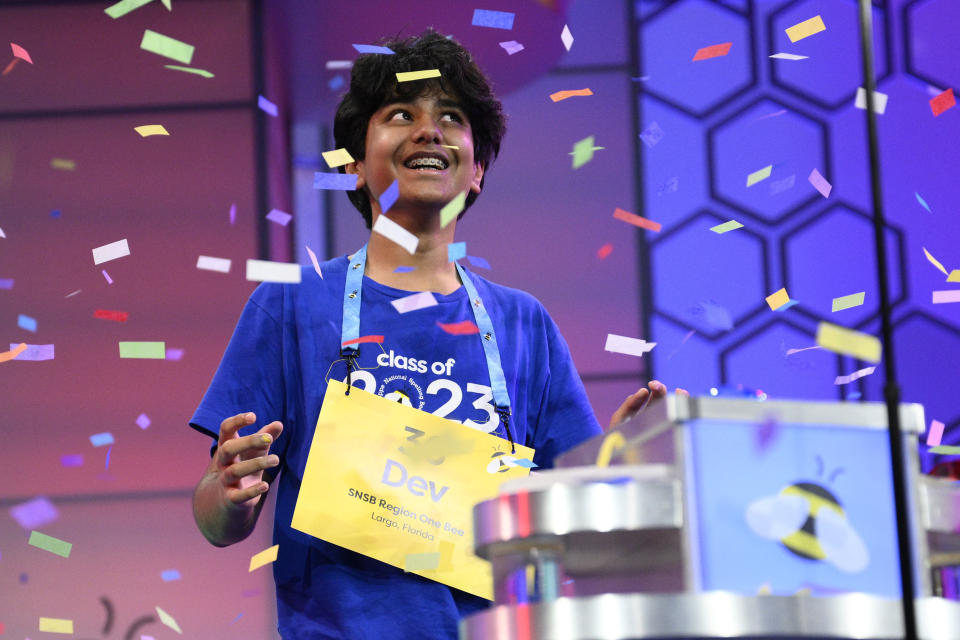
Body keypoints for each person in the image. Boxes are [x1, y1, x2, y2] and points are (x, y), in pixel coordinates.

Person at [190, 29, 676, 640]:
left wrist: (622, 468)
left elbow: (574, 528)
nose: (429, 130)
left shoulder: (525, 325)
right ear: (358, 166)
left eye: (451, 117)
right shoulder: (289, 306)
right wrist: (230, 491)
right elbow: (216, 519)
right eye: (401, 115)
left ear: (475, 172)